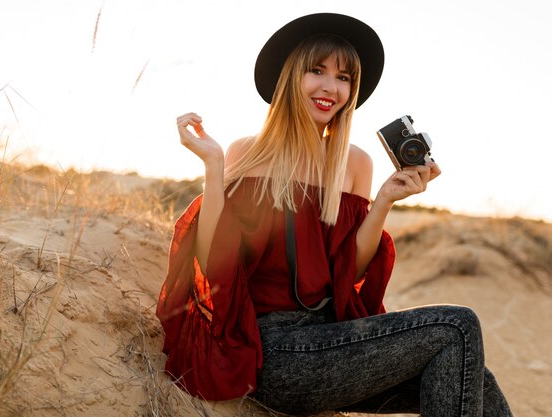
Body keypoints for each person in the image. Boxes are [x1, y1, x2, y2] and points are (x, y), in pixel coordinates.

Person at [156, 12, 514, 417]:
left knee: (476, 377)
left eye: (344, 77)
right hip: (275, 353)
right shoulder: (248, 153)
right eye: (317, 71)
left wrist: (382, 204)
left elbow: (350, 270)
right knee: (457, 326)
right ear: (293, 77)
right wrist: (214, 168)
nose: (331, 87)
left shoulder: (356, 163)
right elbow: (213, 261)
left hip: (334, 342)